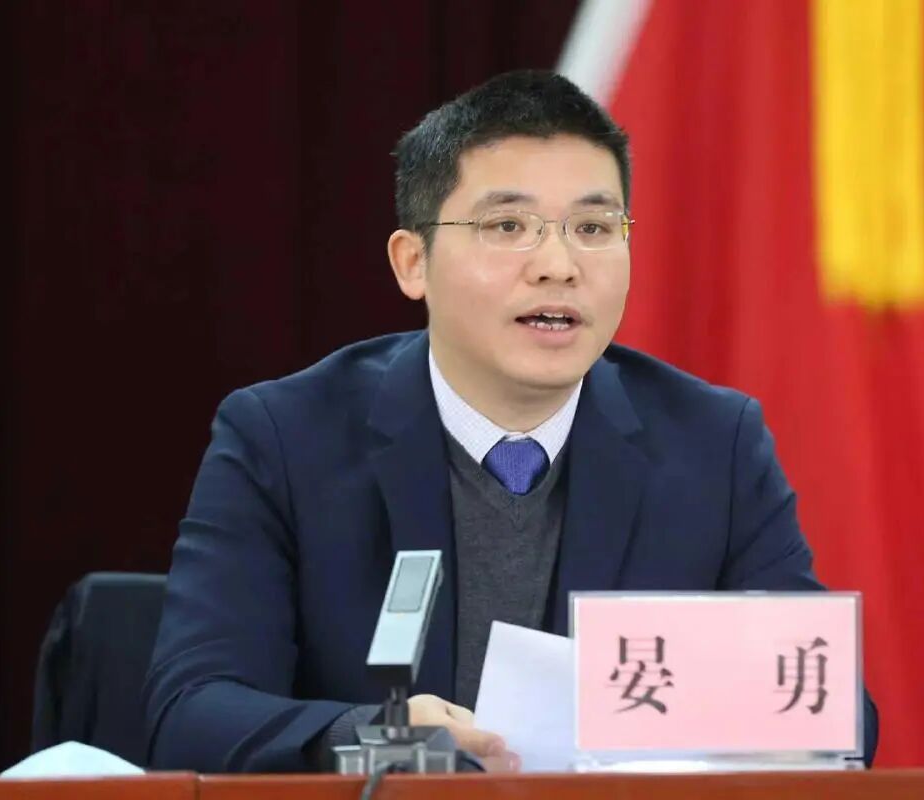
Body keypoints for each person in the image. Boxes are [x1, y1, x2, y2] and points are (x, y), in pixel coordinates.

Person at [144, 69, 879, 773]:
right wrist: (379, 740)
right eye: (508, 225)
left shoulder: (713, 445)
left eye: (593, 227)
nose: (558, 264)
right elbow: (190, 711)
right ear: (412, 262)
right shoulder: (284, 438)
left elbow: (834, 713)